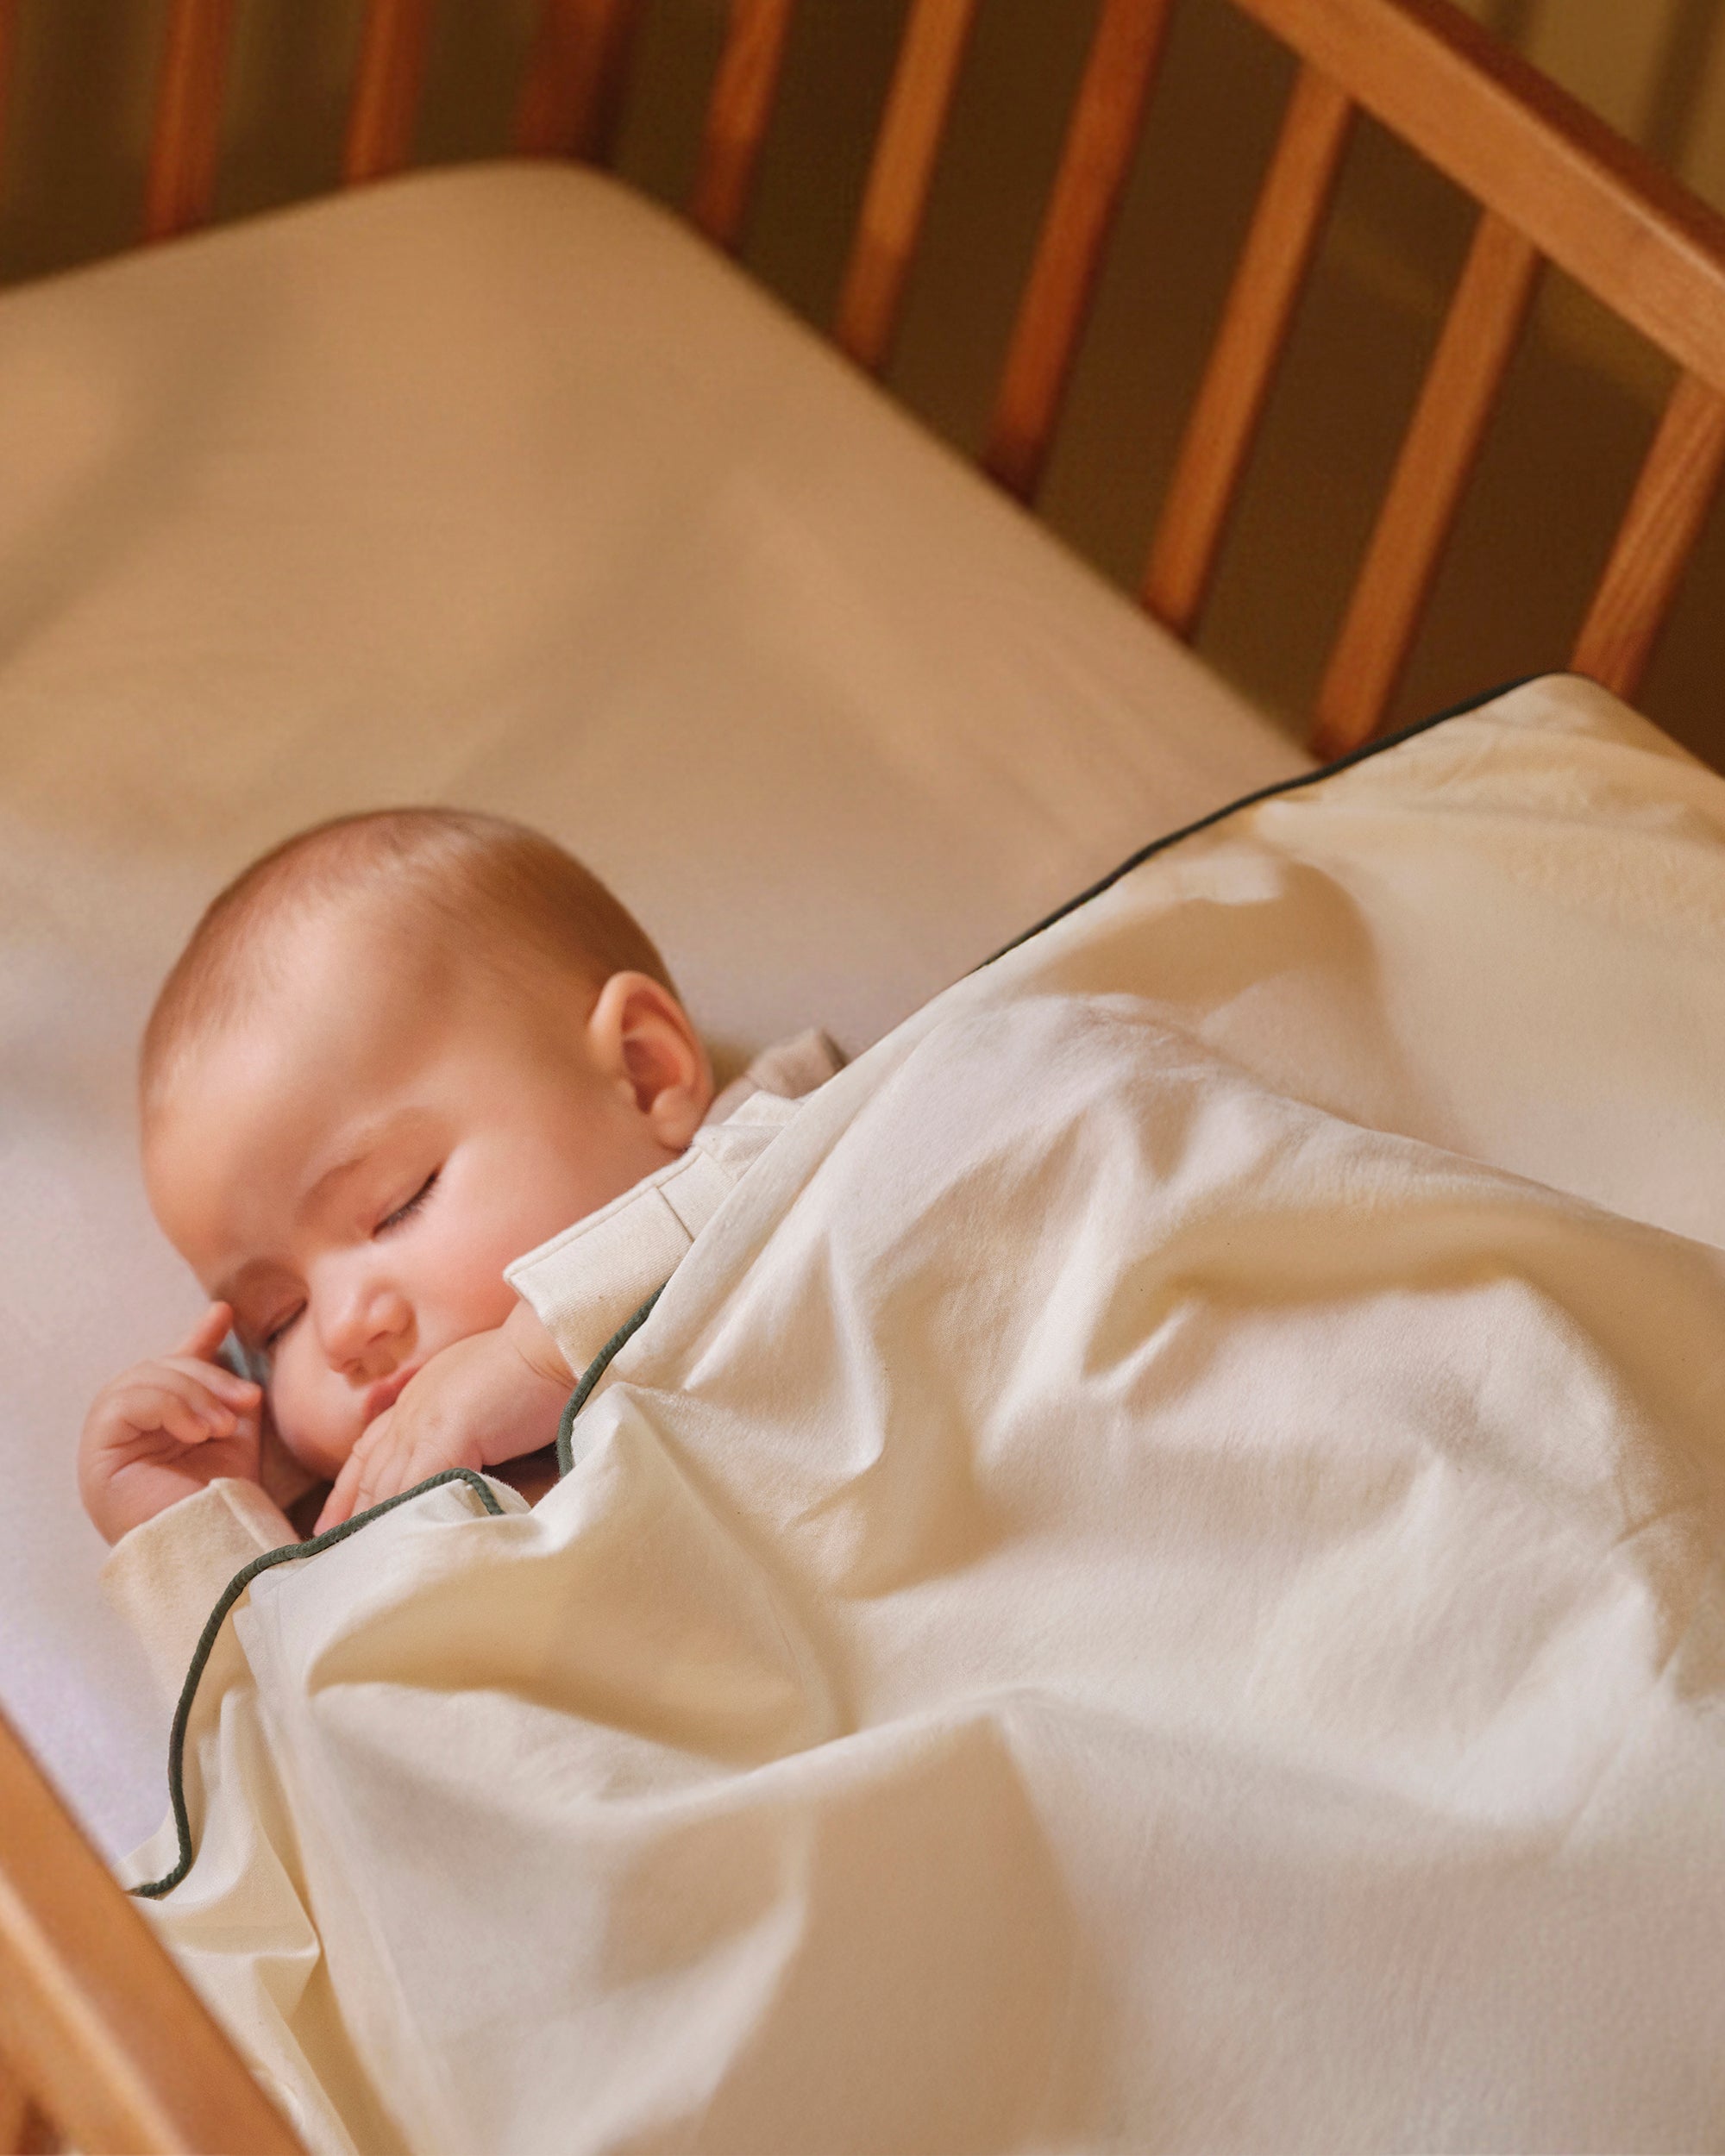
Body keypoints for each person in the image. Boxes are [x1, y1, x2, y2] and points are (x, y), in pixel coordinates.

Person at [79, 807, 779, 1555]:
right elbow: (317, 1641)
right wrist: (204, 1540)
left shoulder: (794, 1147)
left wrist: (540, 1354)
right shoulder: (379, 1526)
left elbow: (791, 1187)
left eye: (399, 1206)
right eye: (276, 1323)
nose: (342, 1331)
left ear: (643, 1073)